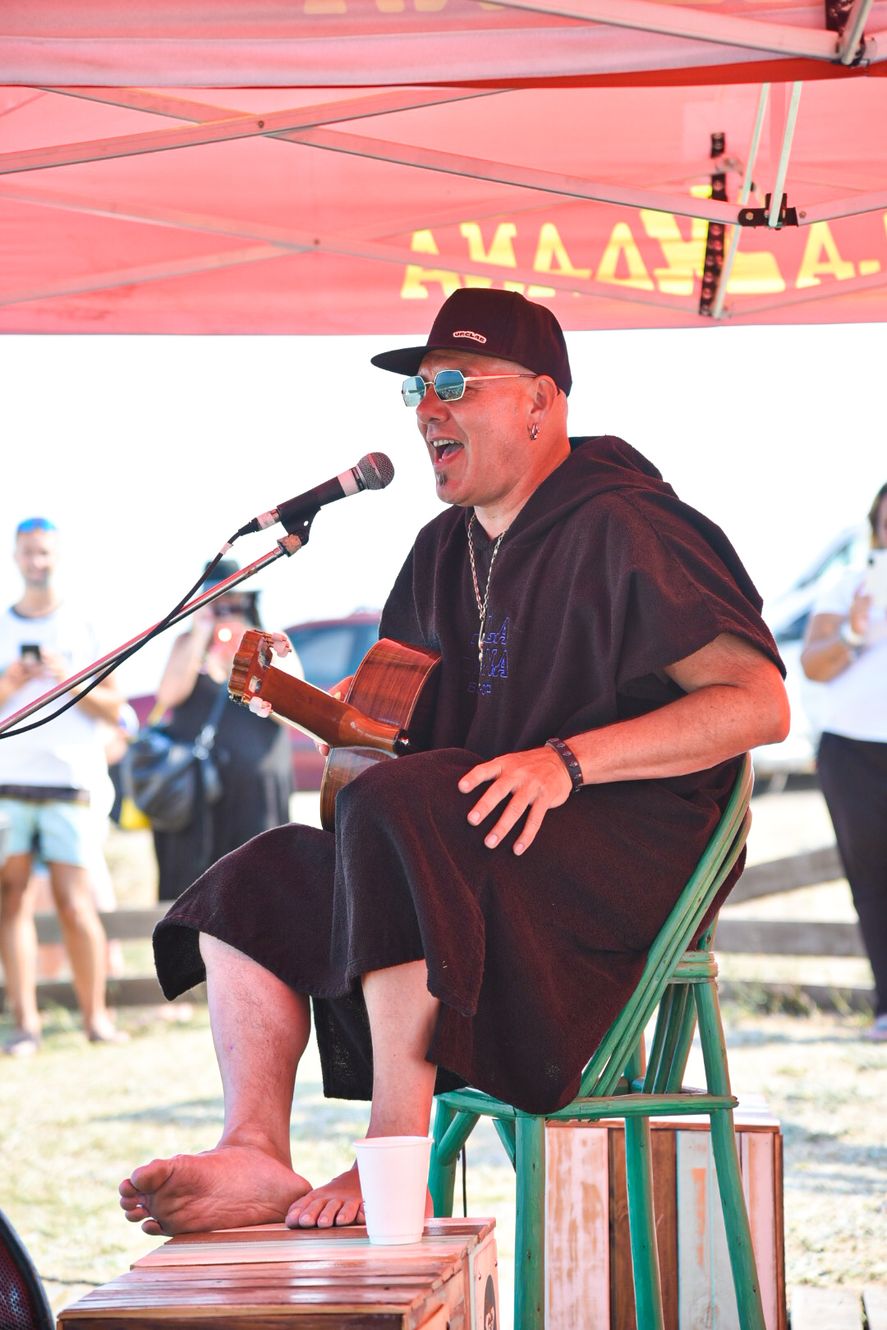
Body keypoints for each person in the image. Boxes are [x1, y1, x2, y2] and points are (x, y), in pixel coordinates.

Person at [119, 288, 789, 1237]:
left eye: (451, 384)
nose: (428, 408)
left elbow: (757, 702)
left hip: (601, 879)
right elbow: (383, 747)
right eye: (416, 393)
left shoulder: (632, 525)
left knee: (406, 807)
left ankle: (394, 1147)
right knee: (263, 873)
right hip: (464, 867)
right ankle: (253, 1149)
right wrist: (299, 703)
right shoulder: (437, 553)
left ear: (539, 403)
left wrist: (566, 762)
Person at [0, 516, 124, 1054]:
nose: (37, 561)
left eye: (44, 552)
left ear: (56, 556)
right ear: (15, 556)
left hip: (70, 780)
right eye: (28, 552)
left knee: (77, 904)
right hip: (10, 781)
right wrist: (13, 681)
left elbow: (115, 705)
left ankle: (95, 1018)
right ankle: (26, 1023)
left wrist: (65, 677)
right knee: (12, 902)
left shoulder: (84, 626)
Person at [147, 562, 295, 901]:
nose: (224, 611)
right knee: (193, 892)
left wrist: (249, 653)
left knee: (259, 891)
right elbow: (168, 696)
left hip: (254, 798)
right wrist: (200, 634)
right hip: (196, 797)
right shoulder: (187, 644)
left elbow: (291, 709)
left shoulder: (269, 643)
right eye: (216, 602)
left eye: (232, 601)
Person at [800, 482, 887, 1042]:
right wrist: (855, 630)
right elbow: (813, 662)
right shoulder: (845, 582)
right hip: (851, 750)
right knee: (873, 878)